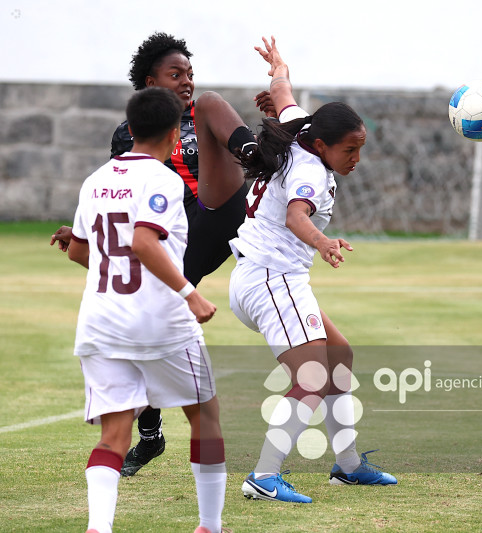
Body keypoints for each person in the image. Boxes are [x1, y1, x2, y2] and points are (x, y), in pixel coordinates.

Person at [51, 32, 271, 477]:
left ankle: (259, 154)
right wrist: (92, 235)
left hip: (212, 214)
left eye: (189, 73)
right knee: (147, 319)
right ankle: (149, 433)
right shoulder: (128, 136)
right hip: (166, 241)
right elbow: (124, 196)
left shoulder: (201, 111)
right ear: (150, 80)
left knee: (210, 102)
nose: (186, 81)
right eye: (176, 74)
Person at [228, 36, 396, 504]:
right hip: (270, 280)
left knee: (338, 356)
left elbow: (282, 95)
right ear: (323, 145)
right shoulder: (311, 172)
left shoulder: (302, 130)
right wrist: (323, 242)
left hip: (270, 278)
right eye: (350, 150)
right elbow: (295, 217)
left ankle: (348, 465)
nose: (356, 158)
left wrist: (279, 66)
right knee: (313, 378)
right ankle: (264, 476)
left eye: (361, 147)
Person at [67, 87, 226, 533]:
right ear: (176, 134)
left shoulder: (94, 180)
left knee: (113, 435)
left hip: (101, 323)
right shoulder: (163, 180)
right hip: (160, 323)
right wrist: (188, 292)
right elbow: (142, 241)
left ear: (130, 128)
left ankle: (98, 528)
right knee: (205, 418)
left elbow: (80, 251)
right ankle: (210, 526)